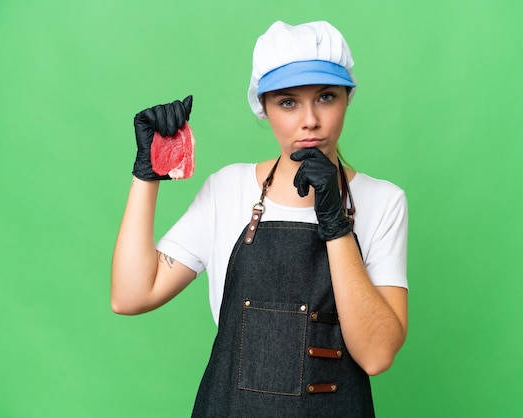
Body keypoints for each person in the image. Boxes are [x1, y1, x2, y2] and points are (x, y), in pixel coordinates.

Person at [112, 20, 409, 417]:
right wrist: (146, 175)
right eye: (288, 102)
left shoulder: (384, 201)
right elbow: (131, 295)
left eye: (325, 97)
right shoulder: (227, 189)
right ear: (264, 109)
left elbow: (376, 355)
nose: (309, 121)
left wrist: (336, 224)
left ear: (347, 97)